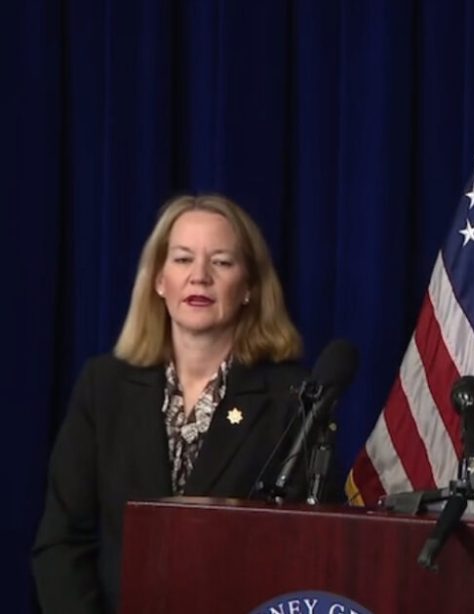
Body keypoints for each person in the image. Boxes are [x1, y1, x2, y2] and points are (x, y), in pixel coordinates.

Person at [32, 194, 307, 613]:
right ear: (159, 280)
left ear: (249, 287)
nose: (200, 277)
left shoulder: (291, 398)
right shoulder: (103, 387)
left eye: (221, 262)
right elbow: (62, 541)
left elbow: (302, 555)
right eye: (182, 259)